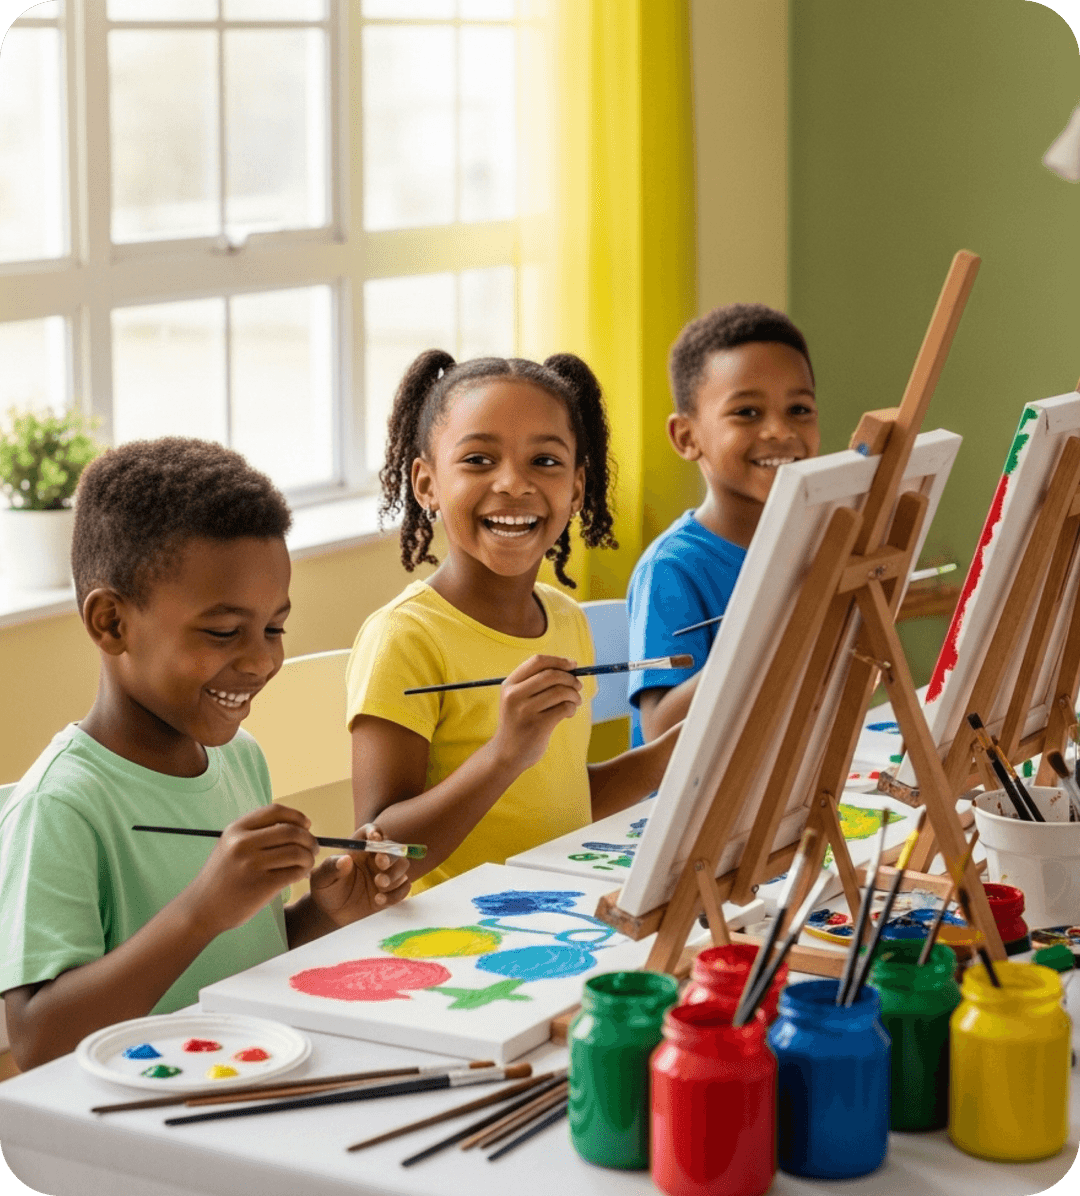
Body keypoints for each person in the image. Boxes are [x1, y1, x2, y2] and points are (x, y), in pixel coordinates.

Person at [0, 438, 410, 1070]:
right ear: (112, 623)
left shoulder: (240, 760)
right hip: (134, 1128)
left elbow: (238, 965)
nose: (262, 659)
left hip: (244, 1081)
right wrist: (201, 910)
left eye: (274, 627)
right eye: (223, 632)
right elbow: (36, 1040)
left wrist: (323, 915)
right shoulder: (61, 805)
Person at [348, 351, 681, 893]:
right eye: (478, 459)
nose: (512, 483)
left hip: (555, 908)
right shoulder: (406, 638)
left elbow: (565, 802)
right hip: (457, 936)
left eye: (544, 462)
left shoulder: (567, 620)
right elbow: (380, 852)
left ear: (576, 488)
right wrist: (505, 755)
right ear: (426, 483)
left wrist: (679, 750)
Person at [628, 303, 820, 745]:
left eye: (799, 409)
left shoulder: (815, 545)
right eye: (747, 413)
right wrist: (768, 625)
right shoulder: (673, 569)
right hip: (692, 807)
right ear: (686, 437)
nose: (779, 430)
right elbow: (660, 731)